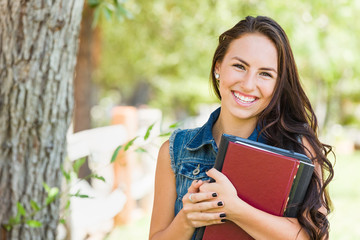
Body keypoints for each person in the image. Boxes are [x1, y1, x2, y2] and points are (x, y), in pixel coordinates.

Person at [149, 15, 334, 240]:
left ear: (278, 84)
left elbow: (316, 237)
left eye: (265, 74)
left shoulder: (298, 148)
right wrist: (187, 219)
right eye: (239, 66)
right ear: (218, 67)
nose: (248, 84)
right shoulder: (176, 150)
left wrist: (236, 209)